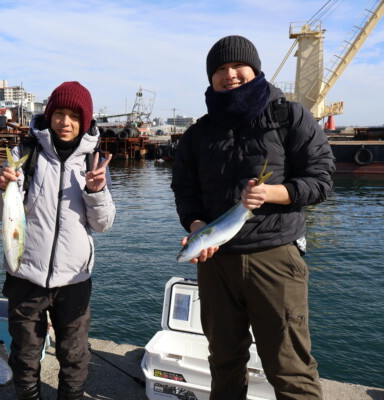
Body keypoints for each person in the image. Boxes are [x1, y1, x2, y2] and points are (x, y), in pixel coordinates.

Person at [171, 36, 335, 399]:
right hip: (215, 261)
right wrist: (197, 225)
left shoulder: (289, 116)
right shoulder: (198, 134)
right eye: (220, 70)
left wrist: (273, 193)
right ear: (210, 78)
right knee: (223, 360)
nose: (229, 75)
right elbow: (185, 190)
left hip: (275, 256)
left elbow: (321, 181)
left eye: (237, 67)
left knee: (289, 365)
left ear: (254, 70)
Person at [0, 81, 116, 400]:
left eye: (74, 116)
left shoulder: (94, 163)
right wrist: (2, 188)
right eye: (59, 113)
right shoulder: (24, 154)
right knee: (25, 353)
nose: (65, 122)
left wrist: (96, 191)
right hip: (25, 274)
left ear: (85, 121)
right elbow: (0, 215)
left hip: (74, 278)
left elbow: (102, 225)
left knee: (74, 355)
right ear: (49, 115)